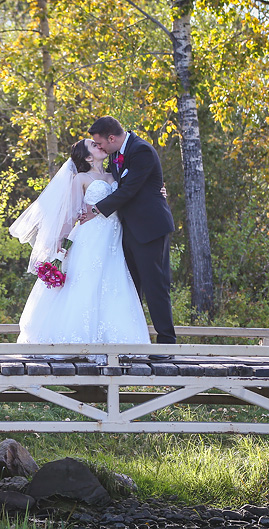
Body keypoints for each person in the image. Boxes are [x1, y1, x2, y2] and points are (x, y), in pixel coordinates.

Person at [10, 139, 150, 359]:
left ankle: (114, 341)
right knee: (85, 283)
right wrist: (61, 240)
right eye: (94, 146)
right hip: (90, 236)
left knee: (114, 283)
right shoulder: (81, 178)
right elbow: (73, 212)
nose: (100, 146)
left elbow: (131, 193)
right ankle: (77, 341)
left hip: (114, 237)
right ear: (87, 157)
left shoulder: (115, 174)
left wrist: (156, 191)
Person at [83, 116, 177, 353]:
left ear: (111, 138)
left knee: (155, 286)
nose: (99, 148)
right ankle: (133, 342)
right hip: (127, 230)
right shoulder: (115, 154)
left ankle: (166, 346)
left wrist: (96, 210)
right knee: (130, 287)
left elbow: (129, 190)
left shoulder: (142, 150)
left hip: (149, 228)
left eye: (100, 143)